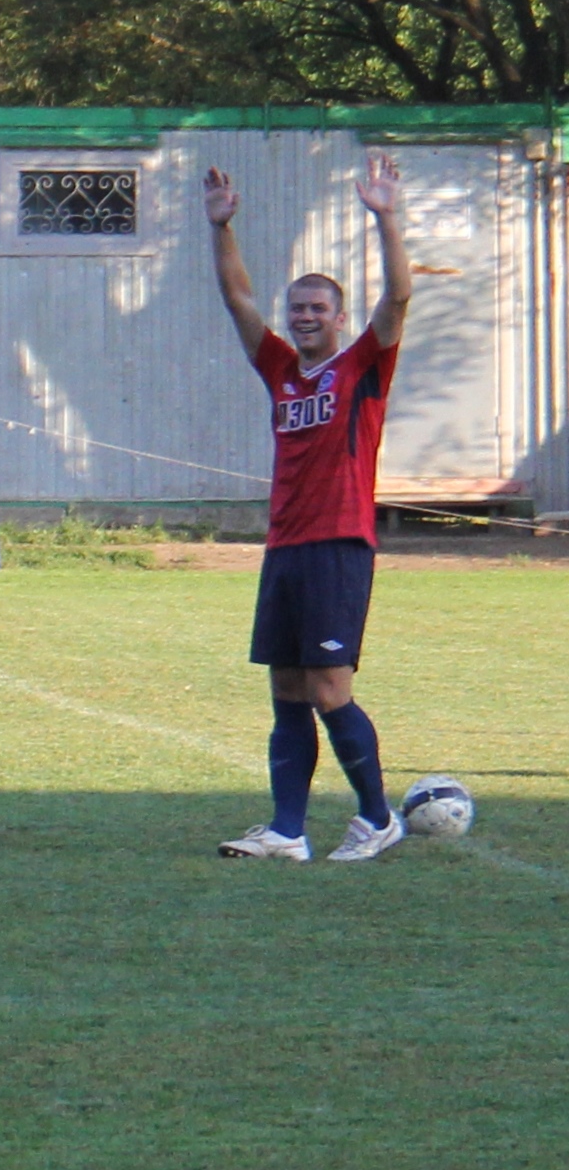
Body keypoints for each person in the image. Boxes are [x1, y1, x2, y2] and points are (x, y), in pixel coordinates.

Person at [206, 155, 414, 862]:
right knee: (288, 689)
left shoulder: (361, 365)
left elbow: (399, 296)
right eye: (296, 308)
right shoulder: (279, 369)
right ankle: (287, 832)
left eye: (317, 308)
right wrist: (221, 227)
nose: (304, 318)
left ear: (339, 317)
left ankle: (378, 819)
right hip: (286, 547)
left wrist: (386, 218)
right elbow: (237, 298)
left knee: (329, 689)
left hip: (337, 545)